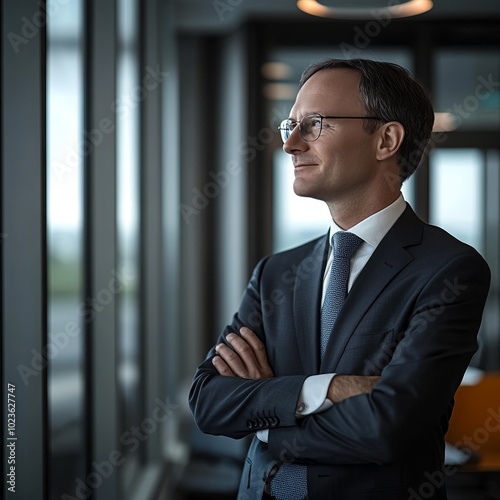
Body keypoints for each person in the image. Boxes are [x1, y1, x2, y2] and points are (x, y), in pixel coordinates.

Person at [188, 58, 491, 500]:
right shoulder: (277, 272)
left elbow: (389, 428)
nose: (290, 144)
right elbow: (208, 402)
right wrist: (328, 388)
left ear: (386, 139)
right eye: (290, 124)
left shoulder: (448, 270)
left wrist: (267, 417)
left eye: (314, 124)